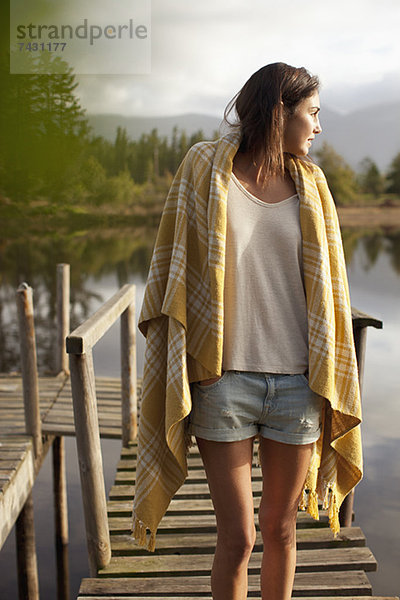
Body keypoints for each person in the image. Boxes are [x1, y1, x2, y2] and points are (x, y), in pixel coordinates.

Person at [132, 63, 363, 600]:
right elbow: (171, 267)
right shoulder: (202, 168)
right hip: (223, 382)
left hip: (298, 385)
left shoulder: (313, 185)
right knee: (237, 536)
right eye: (313, 113)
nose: (318, 127)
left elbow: (333, 291)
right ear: (280, 112)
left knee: (282, 529)